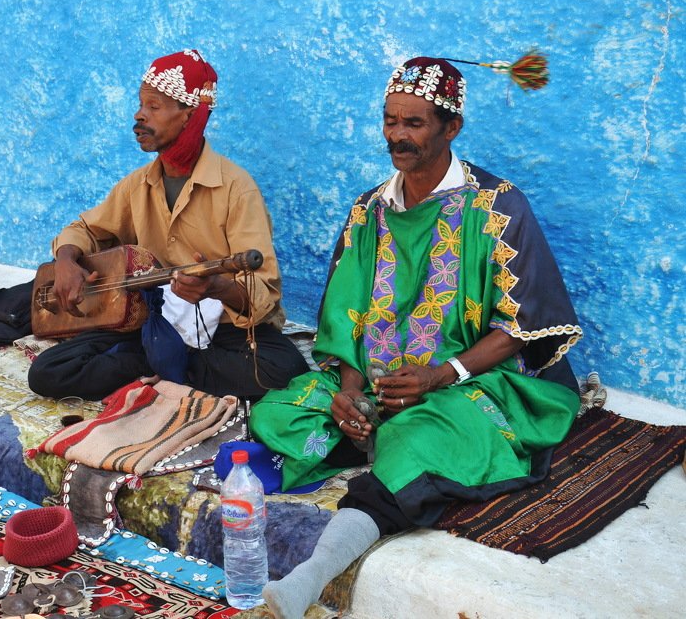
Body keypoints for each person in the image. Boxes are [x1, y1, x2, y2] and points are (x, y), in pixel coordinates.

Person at [250, 56, 584, 618]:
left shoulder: (498, 208)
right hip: (383, 386)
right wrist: (351, 392)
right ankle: (369, 431)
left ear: (451, 127)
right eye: (390, 121)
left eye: (414, 123)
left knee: (417, 443)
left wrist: (439, 376)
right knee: (280, 411)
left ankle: (310, 576)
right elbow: (347, 315)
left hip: (465, 381)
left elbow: (522, 325)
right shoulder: (369, 211)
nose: (397, 137)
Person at [28, 49, 308, 403]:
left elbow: (263, 293)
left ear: (189, 115)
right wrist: (67, 260)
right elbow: (83, 229)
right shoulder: (137, 185)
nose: (139, 115)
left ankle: (162, 366)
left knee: (283, 371)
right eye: (141, 104)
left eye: (154, 106)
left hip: (221, 331)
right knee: (47, 372)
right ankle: (167, 362)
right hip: (153, 325)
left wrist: (217, 288)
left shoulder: (237, 189)